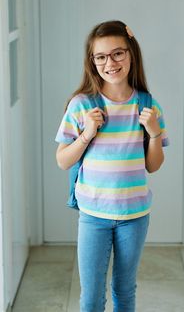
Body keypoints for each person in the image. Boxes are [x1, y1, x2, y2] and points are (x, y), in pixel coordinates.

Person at [55, 20, 169, 312]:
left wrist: (154, 132)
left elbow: (153, 166)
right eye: (101, 56)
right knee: (91, 297)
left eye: (118, 53)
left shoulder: (148, 106)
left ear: (131, 54)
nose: (111, 63)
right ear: (92, 62)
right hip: (94, 215)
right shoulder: (82, 105)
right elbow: (62, 160)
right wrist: (87, 133)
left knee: (124, 290)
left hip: (135, 215)